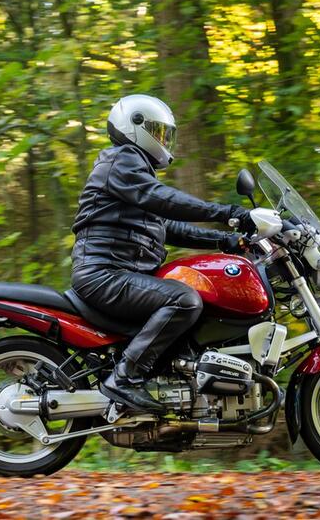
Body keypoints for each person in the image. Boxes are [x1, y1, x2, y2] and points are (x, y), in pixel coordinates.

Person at [71, 94, 254, 414]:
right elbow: (161, 199)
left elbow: (166, 226)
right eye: (157, 132)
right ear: (135, 126)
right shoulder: (122, 160)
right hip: (104, 273)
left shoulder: (131, 171)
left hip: (119, 272)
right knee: (184, 299)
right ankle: (124, 379)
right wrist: (228, 212)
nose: (162, 141)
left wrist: (226, 241)